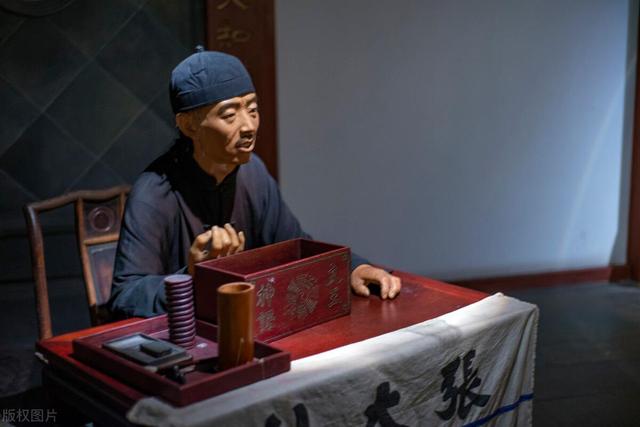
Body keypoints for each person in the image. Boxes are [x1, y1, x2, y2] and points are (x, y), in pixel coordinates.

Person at [108, 49, 401, 318]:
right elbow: (125, 297)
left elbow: (294, 245)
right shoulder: (154, 193)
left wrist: (353, 268)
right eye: (230, 115)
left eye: (252, 109)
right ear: (189, 125)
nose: (248, 126)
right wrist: (193, 276)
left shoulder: (252, 173)